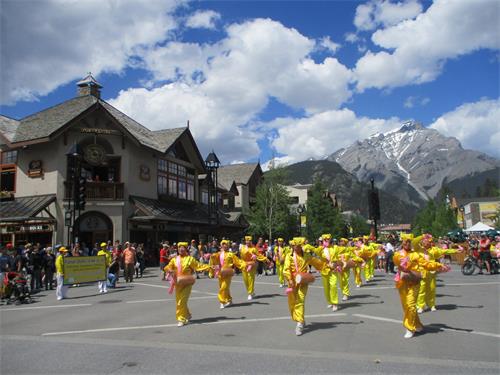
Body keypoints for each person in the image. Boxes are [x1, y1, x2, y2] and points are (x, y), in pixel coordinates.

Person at [393, 234, 448, 338]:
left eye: (409, 242)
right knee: (406, 307)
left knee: (411, 305)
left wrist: (439, 265)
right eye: (405, 241)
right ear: (402, 242)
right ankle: (417, 325)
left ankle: (409, 327)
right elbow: (397, 265)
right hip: (402, 282)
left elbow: (427, 264)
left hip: (414, 282)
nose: (407, 243)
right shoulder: (397, 254)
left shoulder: (416, 255)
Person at [283, 237, 325, 336]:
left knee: (300, 300)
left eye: (297, 246)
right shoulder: (289, 256)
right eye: (293, 246)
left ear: (300, 246)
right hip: (292, 282)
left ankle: (300, 324)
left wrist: (329, 266)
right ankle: (300, 318)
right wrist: (289, 279)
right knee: (292, 302)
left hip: (303, 281)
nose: (295, 248)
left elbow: (317, 263)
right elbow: (286, 269)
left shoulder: (306, 255)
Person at [164, 242, 211, 326]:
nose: (181, 249)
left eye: (183, 247)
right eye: (179, 248)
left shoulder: (190, 259)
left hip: (187, 283)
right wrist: (169, 270)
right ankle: (187, 314)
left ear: (186, 249)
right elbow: (167, 267)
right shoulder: (174, 259)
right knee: (179, 301)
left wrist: (209, 267)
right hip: (178, 283)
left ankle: (181, 319)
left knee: (181, 301)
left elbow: (198, 266)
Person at [416, 234, 461, 313]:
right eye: (425, 241)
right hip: (421, 272)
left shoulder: (434, 250)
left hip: (431, 272)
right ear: (422, 242)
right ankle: (421, 306)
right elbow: (414, 241)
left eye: (429, 241)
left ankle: (431, 305)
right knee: (421, 289)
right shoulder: (419, 249)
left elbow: (445, 251)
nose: (427, 243)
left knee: (432, 288)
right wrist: (422, 236)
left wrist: (456, 250)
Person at [210, 239, 244, 309]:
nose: (224, 246)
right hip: (220, 273)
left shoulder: (231, 254)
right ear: (221, 246)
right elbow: (213, 262)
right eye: (223, 244)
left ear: (228, 246)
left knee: (223, 287)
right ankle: (229, 300)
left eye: (226, 244)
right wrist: (212, 270)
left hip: (228, 272)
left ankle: (222, 302)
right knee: (224, 288)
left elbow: (238, 261)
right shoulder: (218, 254)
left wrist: (244, 265)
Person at [239, 236, 270, 300]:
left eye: (249, 240)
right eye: (247, 240)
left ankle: (250, 293)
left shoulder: (254, 248)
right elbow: (240, 257)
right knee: (245, 280)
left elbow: (259, 255)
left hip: (251, 265)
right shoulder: (242, 248)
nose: (248, 242)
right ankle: (251, 291)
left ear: (251, 241)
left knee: (251, 279)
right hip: (244, 265)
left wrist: (265, 259)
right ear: (245, 241)